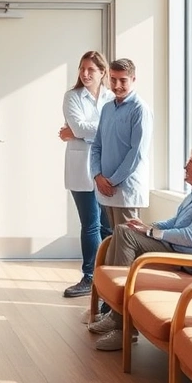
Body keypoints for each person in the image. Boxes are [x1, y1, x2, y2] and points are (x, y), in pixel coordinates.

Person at [89, 145, 192, 351]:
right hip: (174, 249)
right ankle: (115, 313)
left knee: (126, 234)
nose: (186, 166)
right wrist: (149, 227)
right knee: (124, 230)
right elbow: (176, 221)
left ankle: (123, 328)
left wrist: (154, 233)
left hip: (185, 259)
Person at [58, 51, 113, 298]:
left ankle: (109, 277)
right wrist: (84, 131)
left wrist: (79, 132)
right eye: (82, 69)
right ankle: (89, 277)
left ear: (103, 73)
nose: (85, 73)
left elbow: (84, 130)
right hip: (81, 169)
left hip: (106, 167)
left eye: (91, 69)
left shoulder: (112, 98)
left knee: (109, 226)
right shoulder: (72, 97)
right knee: (90, 225)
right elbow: (80, 126)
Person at [90, 58, 153, 243]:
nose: (117, 85)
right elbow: (97, 145)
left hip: (126, 190)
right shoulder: (108, 108)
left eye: (123, 80)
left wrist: (112, 181)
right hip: (105, 188)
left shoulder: (140, 110)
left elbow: (137, 152)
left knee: (126, 244)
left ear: (133, 79)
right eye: (113, 79)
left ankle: (124, 274)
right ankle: (111, 273)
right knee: (112, 242)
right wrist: (97, 175)